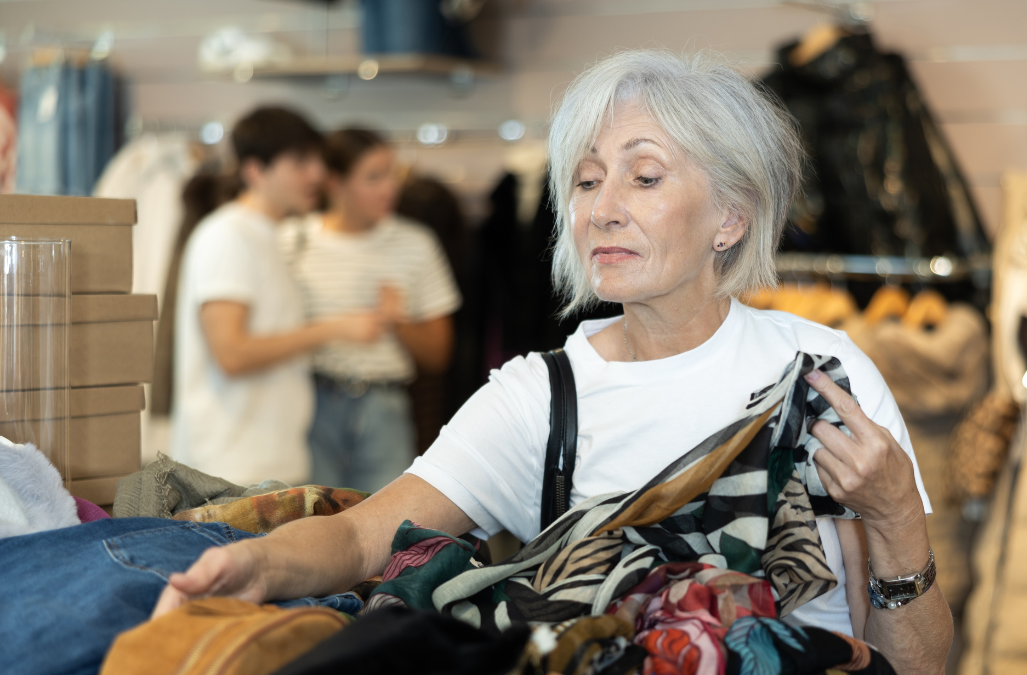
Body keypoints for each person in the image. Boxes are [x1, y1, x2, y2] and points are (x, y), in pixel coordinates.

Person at [157, 52, 953, 672]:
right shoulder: (542, 397)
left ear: (730, 218)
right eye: (586, 178)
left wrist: (894, 517)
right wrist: (257, 564)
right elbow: (370, 536)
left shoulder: (822, 374)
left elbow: (919, 664)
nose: (602, 206)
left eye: (644, 177)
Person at [171, 107, 385, 487]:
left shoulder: (269, 235)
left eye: (316, 160)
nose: (317, 174)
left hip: (268, 464)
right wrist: (332, 329)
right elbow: (232, 353)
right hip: (230, 470)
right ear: (255, 170)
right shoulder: (228, 235)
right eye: (300, 162)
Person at [280, 128, 461, 493]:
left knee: (385, 531)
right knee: (311, 525)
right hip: (307, 402)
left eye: (392, 174)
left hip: (385, 407)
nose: (389, 188)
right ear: (335, 182)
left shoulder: (415, 243)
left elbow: (439, 355)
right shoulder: (291, 240)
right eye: (373, 177)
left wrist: (398, 322)